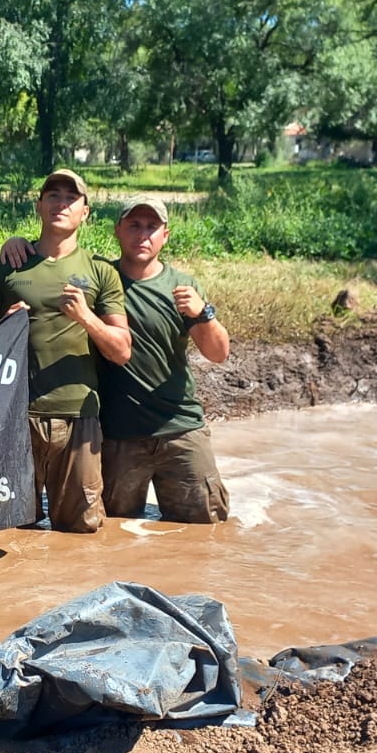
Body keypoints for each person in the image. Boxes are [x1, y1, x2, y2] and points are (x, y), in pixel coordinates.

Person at [0, 168, 130, 533]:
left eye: (71, 198)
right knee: (6, 532)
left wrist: (87, 318)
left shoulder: (100, 271)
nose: (61, 203)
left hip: (79, 418)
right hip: (14, 419)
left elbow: (121, 350)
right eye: (53, 195)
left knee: (81, 534)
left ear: (85, 212)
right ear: (39, 206)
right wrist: (2, 327)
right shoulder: (9, 262)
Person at [95, 198, 231, 523]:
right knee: (111, 531)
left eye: (152, 227)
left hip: (180, 430)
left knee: (208, 529)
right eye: (134, 225)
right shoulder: (100, 278)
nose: (143, 235)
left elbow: (218, 353)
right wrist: (19, 245)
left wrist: (203, 313)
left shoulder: (182, 287)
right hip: (119, 436)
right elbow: (55, 257)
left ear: (165, 235)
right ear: (118, 231)